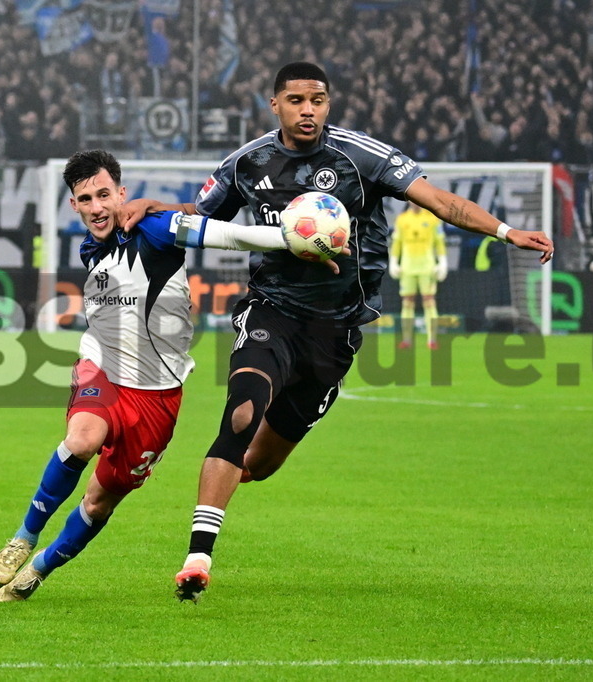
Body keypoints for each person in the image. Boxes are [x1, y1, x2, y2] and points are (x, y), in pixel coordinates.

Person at [118, 61, 554, 603]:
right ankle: (198, 558)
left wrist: (507, 232)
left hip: (336, 330)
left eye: (318, 100)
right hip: (271, 310)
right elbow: (202, 212)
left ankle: (225, 477)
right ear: (274, 104)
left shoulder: (361, 156)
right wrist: (156, 207)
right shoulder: (248, 162)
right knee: (241, 412)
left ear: (328, 103)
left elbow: (442, 202)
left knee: (260, 464)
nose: (309, 110)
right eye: (297, 100)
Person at [0, 149, 308, 602]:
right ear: (73, 206)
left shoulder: (155, 229)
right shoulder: (91, 245)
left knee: (100, 501)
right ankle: (24, 537)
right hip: (102, 368)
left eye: (104, 194)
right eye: (85, 199)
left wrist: (291, 239)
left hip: (158, 398)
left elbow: (229, 236)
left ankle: (38, 570)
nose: (97, 207)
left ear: (121, 193)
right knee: (82, 439)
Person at [389, 202, 447, 350]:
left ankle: (432, 340)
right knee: (407, 302)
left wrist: (442, 262)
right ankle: (407, 339)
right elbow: (397, 242)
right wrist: (394, 262)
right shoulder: (402, 219)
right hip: (408, 267)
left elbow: (439, 242)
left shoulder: (433, 219)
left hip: (427, 267)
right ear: (408, 200)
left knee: (429, 301)